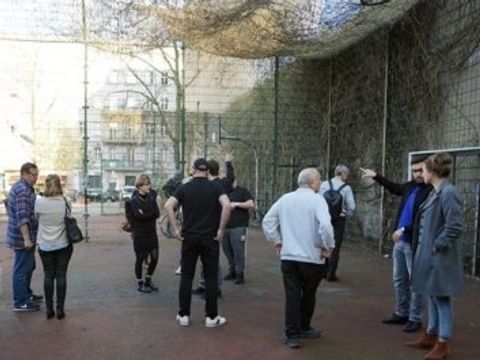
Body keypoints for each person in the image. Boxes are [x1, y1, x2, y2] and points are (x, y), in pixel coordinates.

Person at [262, 168, 334, 349]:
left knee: (292, 295)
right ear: (312, 182)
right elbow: (325, 226)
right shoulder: (318, 200)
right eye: (318, 180)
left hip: (289, 256)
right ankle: (304, 326)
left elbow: (268, 221)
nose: (320, 183)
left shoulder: (285, 199)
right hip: (312, 257)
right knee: (309, 294)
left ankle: (292, 334)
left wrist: (277, 241)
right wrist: (327, 246)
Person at [361, 155, 432, 333]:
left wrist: (404, 230)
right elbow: (394, 188)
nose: (417, 174)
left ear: (429, 169)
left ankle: (415, 318)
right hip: (400, 242)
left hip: (414, 242)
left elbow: (425, 220)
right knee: (399, 279)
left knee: (415, 282)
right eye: (414, 170)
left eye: (420, 170)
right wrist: (376, 176)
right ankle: (402, 312)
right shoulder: (410, 186)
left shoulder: (431, 191)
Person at [406, 153, 463, 360]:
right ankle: (431, 334)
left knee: (441, 297)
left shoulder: (448, 192)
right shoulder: (436, 192)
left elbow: (454, 225)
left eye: (423, 170)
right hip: (430, 255)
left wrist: (437, 245)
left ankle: (443, 342)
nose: (421, 173)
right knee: (432, 293)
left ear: (431, 172)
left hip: (439, 256)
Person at [164, 158, 231, 328]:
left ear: (193, 170)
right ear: (208, 171)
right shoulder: (216, 186)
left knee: (187, 276)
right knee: (210, 277)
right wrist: (221, 230)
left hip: (189, 237)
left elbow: (168, 205)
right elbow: (227, 205)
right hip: (210, 238)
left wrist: (175, 229)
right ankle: (211, 317)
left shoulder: (185, 187)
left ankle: (184, 315)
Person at [192, 155, 235, 297]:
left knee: (212, 260)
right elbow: (230, 178)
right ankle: (204, 285)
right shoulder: (218, 184)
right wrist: (228, 162)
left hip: (213, 227)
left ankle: (215, 288)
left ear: (207, 171)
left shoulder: (216, 185)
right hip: (209, 226)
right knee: (206, 259)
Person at [5, 162, 43, 312]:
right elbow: (22, 217)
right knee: (22, 269)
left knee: (28, 266)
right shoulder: (22, 191)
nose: (36, 178)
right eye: (34, 175)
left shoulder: (24, 188)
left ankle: (26, 294)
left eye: (37, 175)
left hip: (24, 237)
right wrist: (27, 238)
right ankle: (20, 301)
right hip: (22, 239)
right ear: (25, 174)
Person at [35, 174, 74, 319]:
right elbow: (69, 217)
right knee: (61, 275)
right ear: (60, 185)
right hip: (63, 243)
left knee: (48, 275)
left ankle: (49, 309)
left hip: (45, 244)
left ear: (45, 185)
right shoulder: (66, 201)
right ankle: (60, 310)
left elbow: (36, 218)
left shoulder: (39, 202)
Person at [319, 164, 355, 282]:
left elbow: (317, 200)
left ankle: (322, 271)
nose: (347, 177)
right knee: (335, 246)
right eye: (347, 175)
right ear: (343, 174)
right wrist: (345, 214)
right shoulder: (346, 188)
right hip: (338, 219)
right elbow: (351, 206)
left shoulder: (324, 184)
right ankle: (331, 274)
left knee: (323, 242)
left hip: (324, 218)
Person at [125, 174, 160, 293]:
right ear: (140, 186)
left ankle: (148, 280)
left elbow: (157, 213)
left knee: (155, 257)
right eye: (146, 184)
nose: (149, 186)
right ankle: (140, 283)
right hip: (140, 234)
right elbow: (138, 216)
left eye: (149, 184)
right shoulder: (133, 201)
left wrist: (145, 213)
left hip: (151, 232)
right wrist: (148, 214)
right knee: (140, 258)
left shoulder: (151, 197)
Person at [222, 180, 255, 284]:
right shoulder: (223, 191)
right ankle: (232, 270)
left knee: (238, 249)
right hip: (225, 226)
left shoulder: (242, 191)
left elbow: (251, 204)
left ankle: (239, 273)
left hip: (239, 226)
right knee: (226, 248)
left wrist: (236, 204)